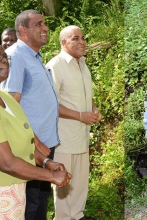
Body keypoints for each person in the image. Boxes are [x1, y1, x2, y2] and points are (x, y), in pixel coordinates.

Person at [0, 39, 71, 219]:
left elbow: (24, 139)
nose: (4, 60)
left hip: (14, 189)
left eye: (5, 56)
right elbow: (6, 162)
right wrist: (50, 176)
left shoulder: (6, 98)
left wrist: (45, 162)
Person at [0, 10, 61, 220]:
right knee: (30, 204)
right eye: (39, 24)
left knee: (40, 200)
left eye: (45, 23)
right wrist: (34, 144)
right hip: (31, 147)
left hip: (44, 143)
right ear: (23, 30)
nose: (45, 28)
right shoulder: (16, 56)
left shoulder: (34, 56)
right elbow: (10, 105)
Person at [46, 25, 102, 220]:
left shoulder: (83, 64)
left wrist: (94, 110)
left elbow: (87, 95)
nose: (82, 42)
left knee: (80, 183)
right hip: (64, 138)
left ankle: (77, 216)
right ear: (64, 42)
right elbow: (51, 105)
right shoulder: (55, 65)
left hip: (82, 136)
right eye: (75, 38)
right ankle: (62, 218)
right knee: (63, 182)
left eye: (83, 38)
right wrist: (80, 116)